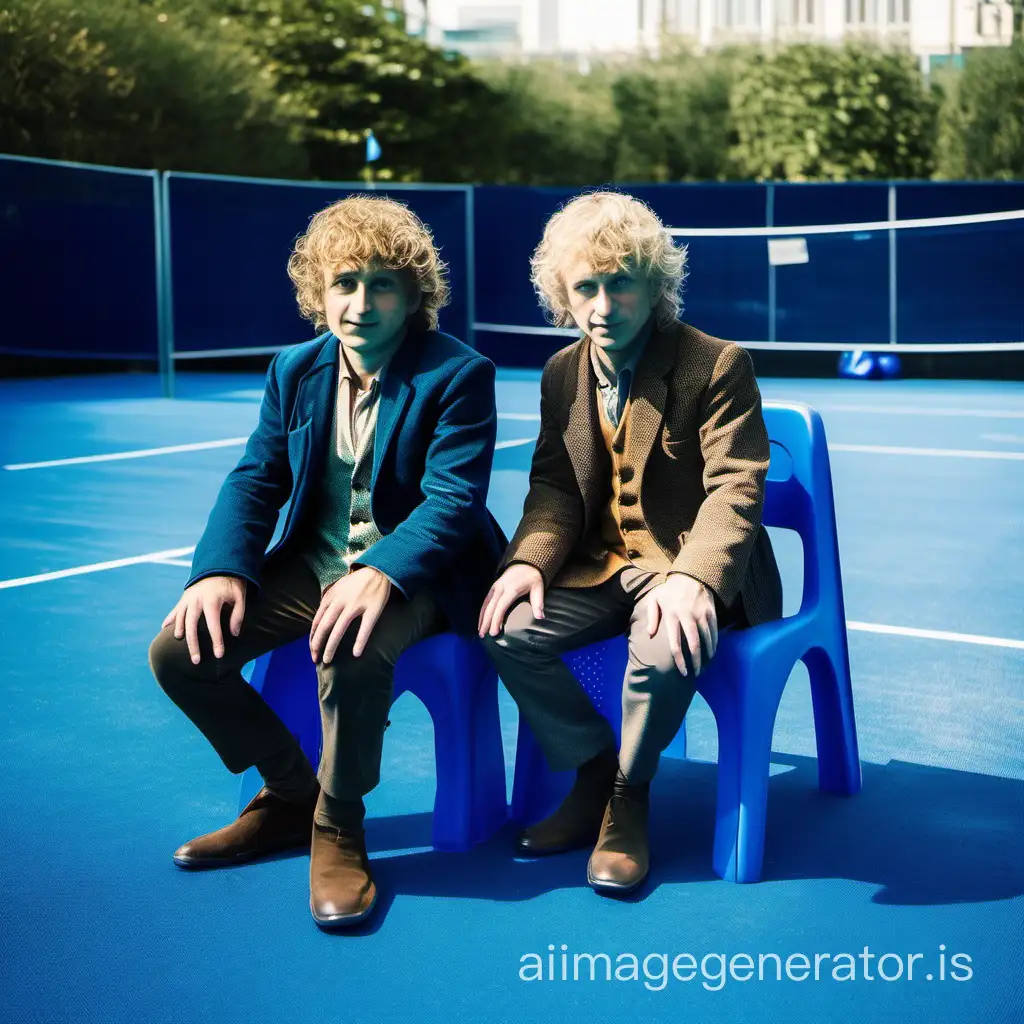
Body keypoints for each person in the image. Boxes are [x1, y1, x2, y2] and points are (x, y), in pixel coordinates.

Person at [150, 195, 505, 928]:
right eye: (344, 282)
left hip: (422, 576)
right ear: (320, 292)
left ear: (414, 295)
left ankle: (338, 823)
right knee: (178, 652)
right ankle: (289, 795)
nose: (361, 302)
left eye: (383, 284)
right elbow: (256, 479)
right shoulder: (295, 371)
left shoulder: (458, 375)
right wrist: (219, 569)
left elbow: (453, 501)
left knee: (351, 644)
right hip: (314, 566)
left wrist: (381, 572)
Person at [480, 191, 782, 895]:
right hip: (603, 566)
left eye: (621, 283)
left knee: (664, 636)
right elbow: (555, 489)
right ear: (563, 294)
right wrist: (526, 562)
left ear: (655, 286)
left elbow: (735, 489)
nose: (603, 304)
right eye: (585, 287)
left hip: (686, 565)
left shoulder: (716, 363)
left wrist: (696, 580)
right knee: (505, 627)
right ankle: (593, 771)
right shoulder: (562, 374)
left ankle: (626, 801)